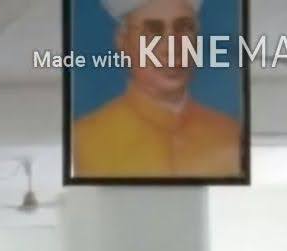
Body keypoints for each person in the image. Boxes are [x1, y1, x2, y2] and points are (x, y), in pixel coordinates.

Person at [73, 0, 242, 178]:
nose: (172, 48)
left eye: (184, 28)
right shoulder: (85, 141)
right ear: (123, 42)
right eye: (153, 31)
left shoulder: (230, 134)